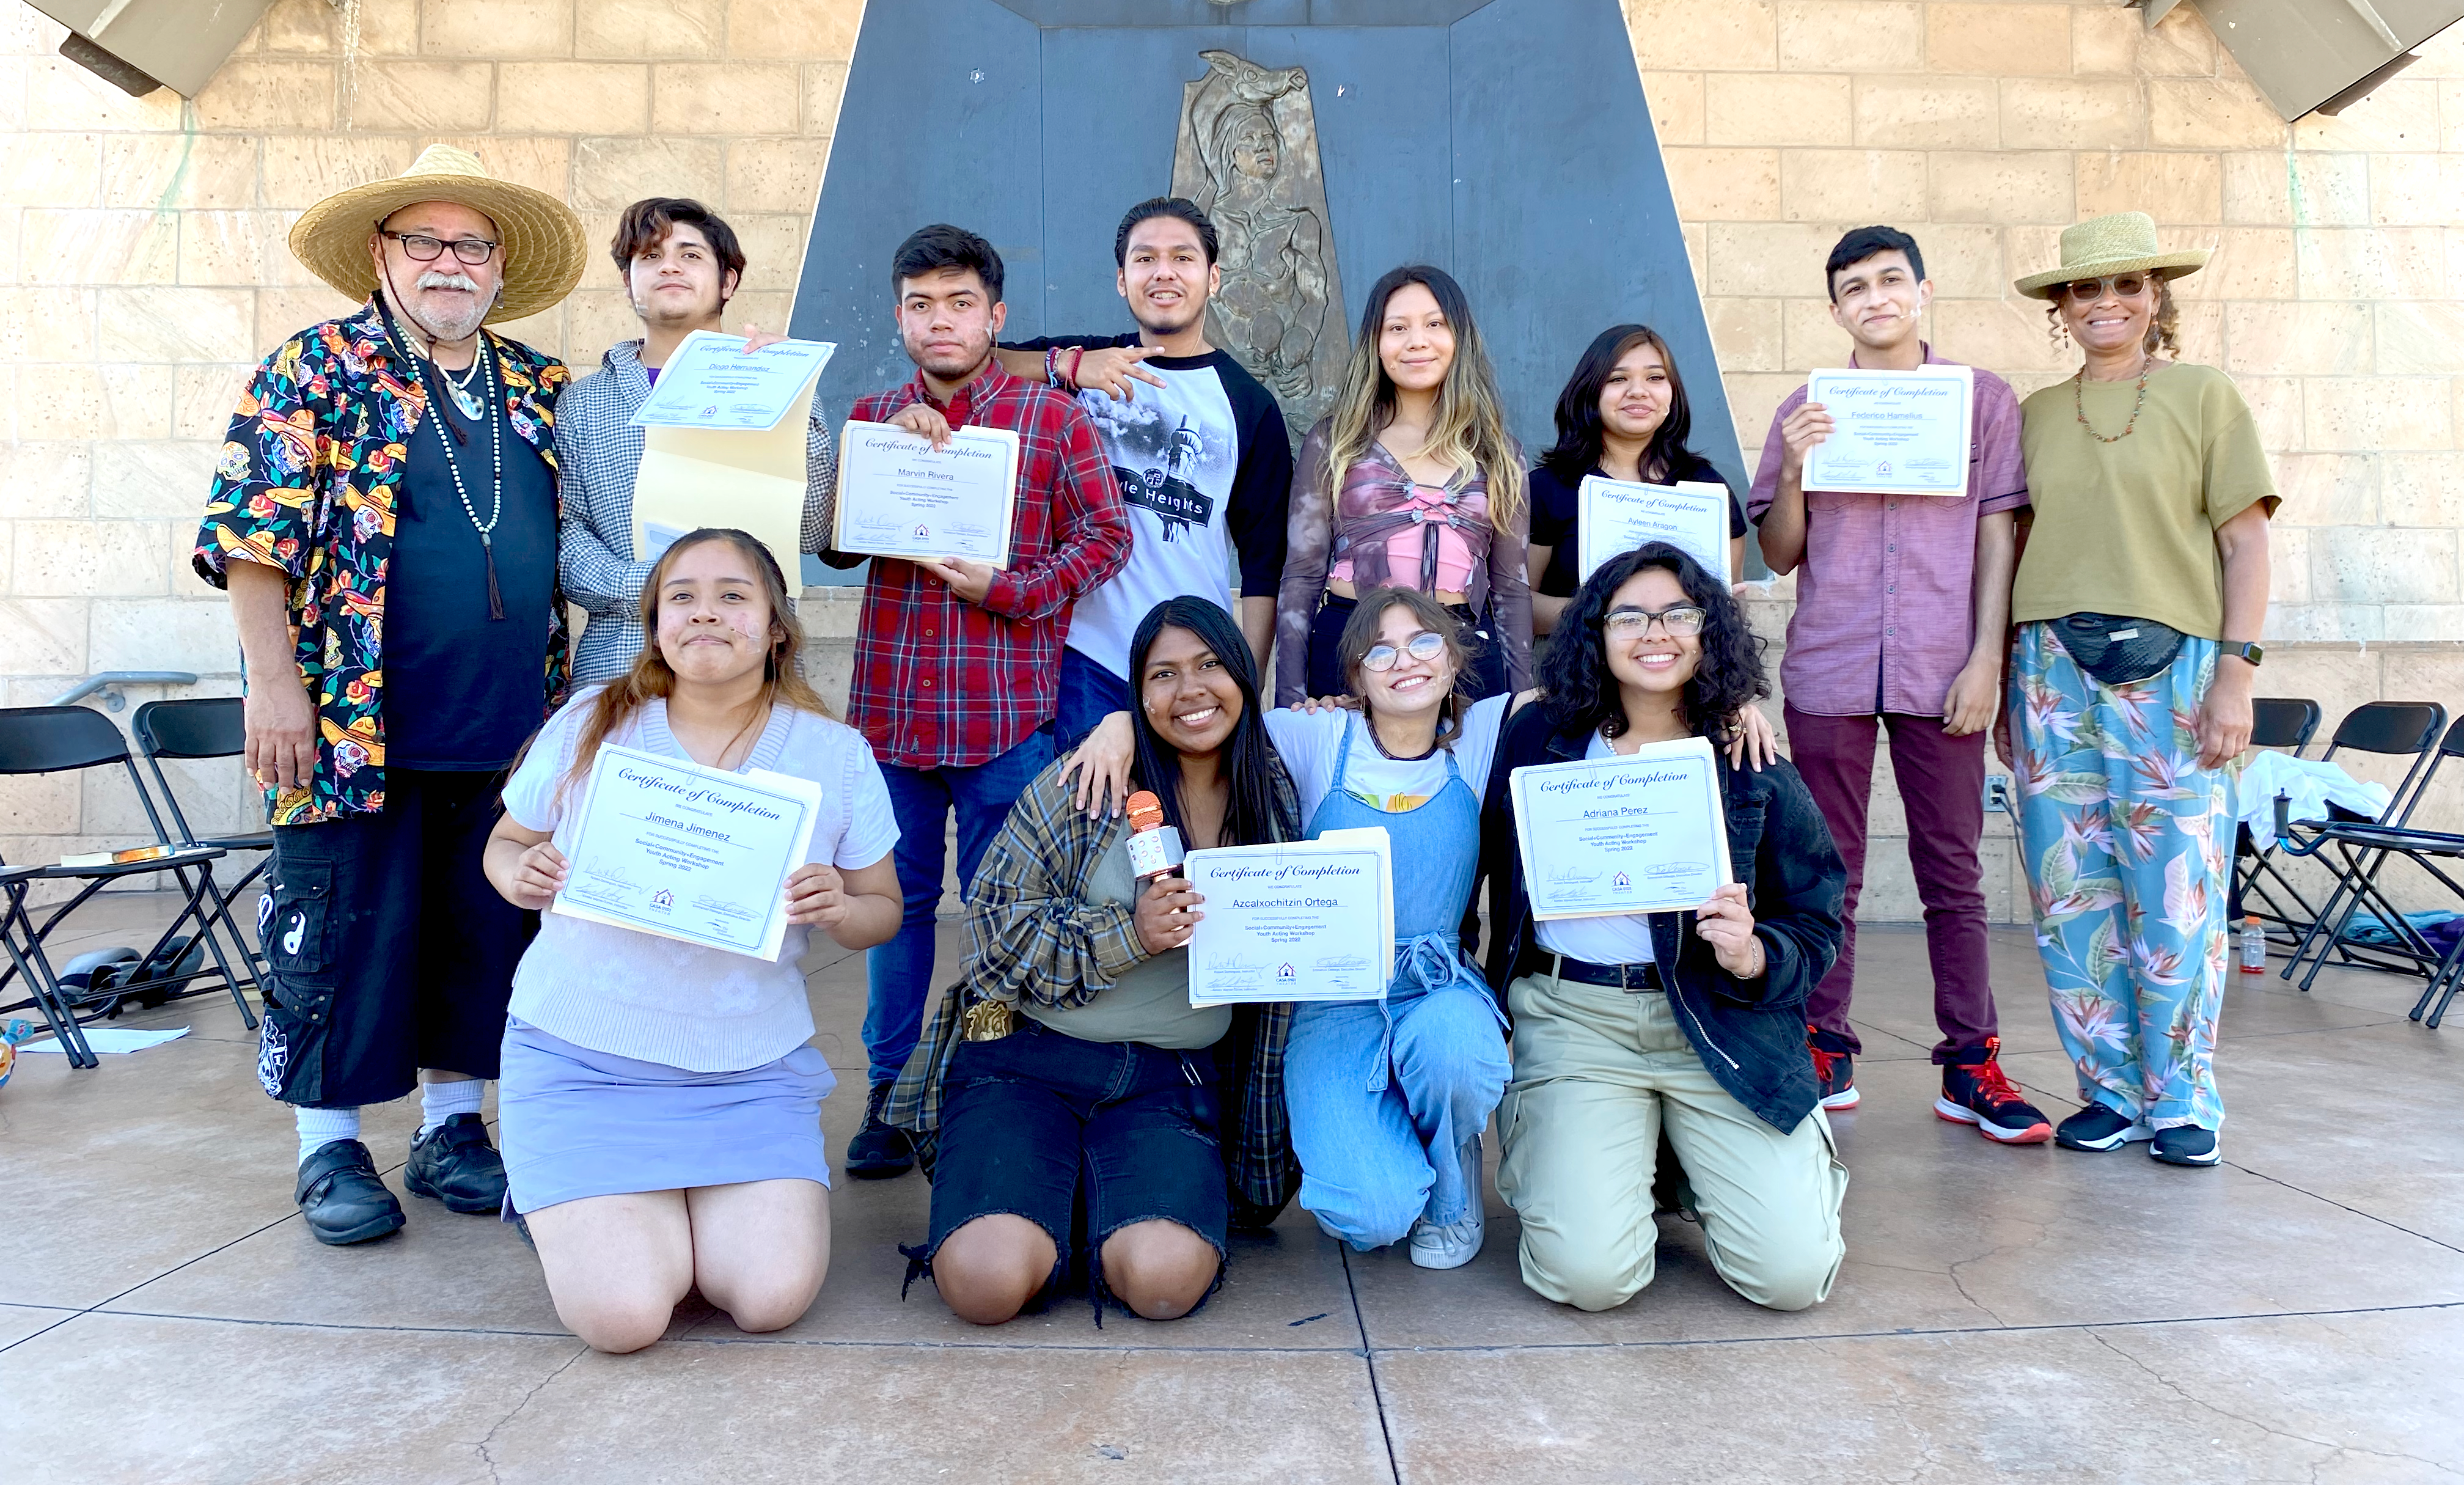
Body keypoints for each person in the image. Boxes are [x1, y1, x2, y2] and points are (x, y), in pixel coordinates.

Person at [193, 145, 584, 1245]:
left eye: (472, 244)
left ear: (500, 265)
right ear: (383, 255)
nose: (449, 262)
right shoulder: (311, 369)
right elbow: (248, 541)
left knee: (480, 931)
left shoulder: (541, 387)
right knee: (341, 936)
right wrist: (273, 687)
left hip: (507, 725)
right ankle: (331, 1150)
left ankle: (454, 1131)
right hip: (347, 721)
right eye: (427, 241)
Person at [482, 529, 902, 1352]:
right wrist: (519, 874)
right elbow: (505, 843)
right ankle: (579, 1198)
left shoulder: (836, 755)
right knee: (625, 1316)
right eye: (682, 596)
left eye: (734, 595)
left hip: (747, 1069)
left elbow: (883, 905)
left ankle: (644, 1208)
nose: (706, 612)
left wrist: (838, 909)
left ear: (778, 627)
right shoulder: (590, 725)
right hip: (584, 1060)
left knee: (769, 1296)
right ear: (655, 623)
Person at [884, 597, 1303, 1325]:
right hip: (1027, 1063)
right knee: (985, 1285)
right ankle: (1054, 1204)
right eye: (1163, 674)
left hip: (1167, 1082)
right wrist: (1129, 935)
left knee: (1164, 1283)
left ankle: (1082, 1207)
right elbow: (989, 939)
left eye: (1209, 665)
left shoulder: (1273, 795)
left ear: (1243, 671)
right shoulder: (1087, 783)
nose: (1191, 690)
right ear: (1137, 696)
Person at [1074, 590, 1522, 1268]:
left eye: (1424, 643)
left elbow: (1595, 691)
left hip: (1436, 986)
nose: (1405, 662)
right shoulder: (1318, 737)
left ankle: (1451, 1167)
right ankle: (1395, 1150)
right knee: (1367, 1217)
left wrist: (1728, 705)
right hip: (1331, 995)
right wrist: (1119, 723)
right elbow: (1205, 717)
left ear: (1454, 660)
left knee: (1456, 1050)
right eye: (1380, 650)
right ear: (1354, 678)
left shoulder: (1485, 734)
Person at [823, 224, 1131, 1180]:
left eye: (960, 304)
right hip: (892, 717)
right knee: (898, 908)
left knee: (1005, 912)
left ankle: (987, 1072)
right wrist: (867, 463)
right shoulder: (874, 415)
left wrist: (1005, 587)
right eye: (921, 305)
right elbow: (833, 546)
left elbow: (1105, 540)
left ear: (995, 317)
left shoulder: (1052, 420)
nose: (940, 321)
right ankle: (887, 1090)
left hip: (1005, 716)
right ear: (900, 317)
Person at [1480, 542, 1850, 1313]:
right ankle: (1607, 1151)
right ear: (1596, 633)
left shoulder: (1750, 755)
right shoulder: (1539, 738)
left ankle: (1683, 1157)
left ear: (1709, 630)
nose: (1657, 633)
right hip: (1577, 1021)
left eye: (1680, 613)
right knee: (1591, 1280)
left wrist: (1755, 954)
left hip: (1719, 1023)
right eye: (1631, 616)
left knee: (1790, 1280)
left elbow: (1816, 917)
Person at [1747, 226, 2048, 1143]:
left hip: (1941, 664)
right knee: (1824, 866)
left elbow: (1999, 535)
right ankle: (1823, 1040)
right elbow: (1780, 548)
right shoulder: (1808, 406)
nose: (1873, 298)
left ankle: (1971, 1062)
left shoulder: (1982, 403)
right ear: (1834, 307)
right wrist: (1797, 465)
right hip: (1832, 661)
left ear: (1922, 290)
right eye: (1853, 287)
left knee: (1952, 869)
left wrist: (1985, 657)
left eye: (1889, 281)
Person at [2007, 212, 2274, 1169]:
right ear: (2061, 307)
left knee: (2177, 891)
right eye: (2085, 289)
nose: (2105, 303)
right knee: (2070, 889)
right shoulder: (2035, 413)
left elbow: (2245, 540)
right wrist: (2000, 677)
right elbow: (2013, 546)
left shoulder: (2205, 396)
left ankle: (2183, 1096)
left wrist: (2238, 671)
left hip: (2180, 667)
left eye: (2126, 285)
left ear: (2157, 295)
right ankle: (2109, 1090)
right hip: (2046, 667)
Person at [894, 198, 1294, 746]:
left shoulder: (1249, 404)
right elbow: (977, 355)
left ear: (1214, 277)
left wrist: (1247, 677)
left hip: (1196, 658)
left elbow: (1264, 564)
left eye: (1183, 258)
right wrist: (1072, 364)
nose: (1163, 273)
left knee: (1190, 826)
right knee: (1091, 822)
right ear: (1121, 280)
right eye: (1144, 259)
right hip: (1085, 656)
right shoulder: (1081, 368)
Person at [556, 198, 838, 684]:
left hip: (755, 665)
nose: (669, 266)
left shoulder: (778, 383)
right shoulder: (584, 401)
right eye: (649, 256)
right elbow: (567, 534)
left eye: (690, 255)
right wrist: (654, 586)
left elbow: (812, 534)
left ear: (727, 281)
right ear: (628, 283)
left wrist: (798, 397)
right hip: (623, 663)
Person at [1274, 265, 1531, 706]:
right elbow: (1302, 575)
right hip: (1351, 645)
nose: (1417, 341)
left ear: (1460, 339)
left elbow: (1510, 588)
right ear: (1375, 343)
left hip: (1465, 651)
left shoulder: (1497, 451)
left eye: (1435, 324)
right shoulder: (1335, 440)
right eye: (1397, 328)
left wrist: (1523, 700)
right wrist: (1289, 700)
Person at [1526, 324, 1749, 637]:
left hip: (1680, 671)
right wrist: (1609, 616)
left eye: (1655, 378)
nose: (1638, 391)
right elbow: (1519, 607)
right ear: (1590, 391)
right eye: (1618, 379)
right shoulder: (1547, 487)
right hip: (1577, 672)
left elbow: (1728, 602)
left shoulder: (1708, 488)